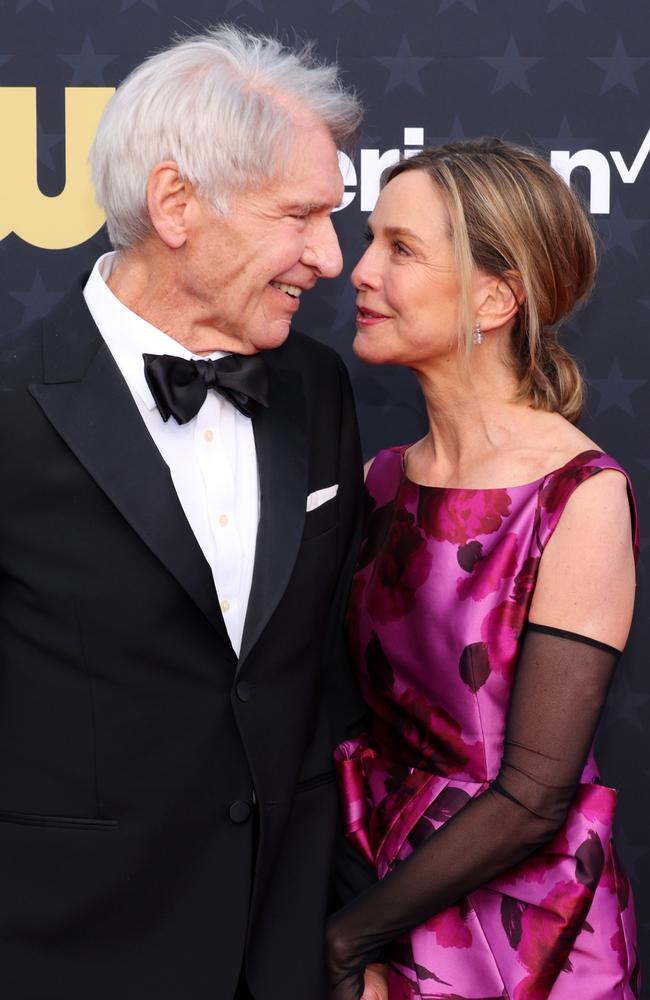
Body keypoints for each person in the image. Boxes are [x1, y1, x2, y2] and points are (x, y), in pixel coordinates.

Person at [0, 25, 384, 1000]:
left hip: (280, 952)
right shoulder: (10, 409)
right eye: (298, 215)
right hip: (63, 956)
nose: (329, 258)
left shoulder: (314, 388)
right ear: (176, 203)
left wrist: (342, 935)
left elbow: (324, 688)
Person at [327, 138, 640, 999]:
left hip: (524, 929)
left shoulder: (579, 495)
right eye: (369, 239)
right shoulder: (380, 482)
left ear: (494, 298)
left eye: (401, 249)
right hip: (374, 879)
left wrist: (346, 942)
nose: (357, 272)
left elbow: (536, 795)